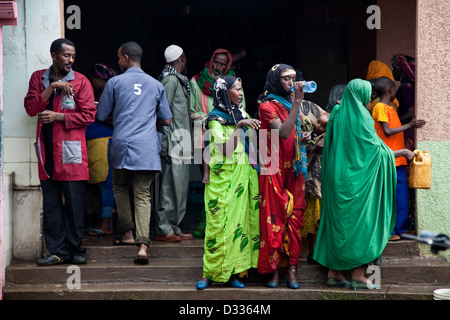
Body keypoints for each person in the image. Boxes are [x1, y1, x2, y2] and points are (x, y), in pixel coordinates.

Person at [312, 79, 415, 290]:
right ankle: (359, 274)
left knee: (338, 225)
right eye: (367, 97)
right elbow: (374, 151)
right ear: (359, 97)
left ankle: (335, 273)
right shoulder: (362, 118)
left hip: (335, 179)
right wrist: (402, 152)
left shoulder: (338, 114)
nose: (369, 101)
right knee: (362, 225)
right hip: (357, 182)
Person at [96, 41, 172, 264]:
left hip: (122, 144)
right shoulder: (156, 84)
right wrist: (147, 119)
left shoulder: (114, 82)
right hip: (147, 147)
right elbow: (167, 119)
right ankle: (142, 247)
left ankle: (128, 234)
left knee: (119, 187)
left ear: (126, 58)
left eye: (119, 58)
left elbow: (101, 115)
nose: (118, 61)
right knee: (143, 195)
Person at [24, 38, 96, 266]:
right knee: (52, 205)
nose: (71, 60)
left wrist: (59, 117)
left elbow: (88, 116)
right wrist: (52, 88)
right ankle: (57, 251)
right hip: (46, 153)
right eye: (66, 56)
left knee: (74, 205)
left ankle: (76, 250)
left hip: (71, 153)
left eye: (73, 56)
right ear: (54, 55)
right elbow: (31, 108)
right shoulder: (39, 78)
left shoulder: (81, 82)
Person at [195, 76, 260, 290]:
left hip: (242, 179)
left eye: (241, 89)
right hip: (221, 180)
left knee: (238, 227)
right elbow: (224, 150)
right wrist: (239, 126)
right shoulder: (215, 119)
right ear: (224, 93)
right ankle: (209, 273)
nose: (241, 93)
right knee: (217, 227)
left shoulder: (243, 114)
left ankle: (234, 273)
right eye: (236, 90)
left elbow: (253, 148)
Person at [257, 64, 311, 289]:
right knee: (274, 217)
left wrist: (303, 138)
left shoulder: (292, 105)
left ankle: (292, 270)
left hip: (295, 167)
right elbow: (283, 132)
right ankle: (274, 272)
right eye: (286, 79)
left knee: (294, 218)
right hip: (274, 167)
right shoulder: (266, 106)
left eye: (293, 78)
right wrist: (298, 102)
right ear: (275, 81)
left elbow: (293, 135)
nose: (291, 82)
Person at [189, 48, 246, 237]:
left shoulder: (234, 83)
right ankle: (207, 223)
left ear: (228, 65)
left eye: (223, 64)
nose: (219, 67)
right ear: (211, 61)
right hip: (201, 138)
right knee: (208, 181)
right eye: (217, 63)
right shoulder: (196, 82)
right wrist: (210, 119)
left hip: (227, 138)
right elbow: (189, 111)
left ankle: (222, 224)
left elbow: (241, 109)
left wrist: (221, 120)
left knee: (226, 184)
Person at [371, 76, 426, 240]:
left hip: (398, 160)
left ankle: (400, 229)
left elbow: (394, 126)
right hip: (389, 159)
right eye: (395, 88)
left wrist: (409, 117)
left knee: (401, 196)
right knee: (391, 197)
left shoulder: (391, 108)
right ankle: (391, 231)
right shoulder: (380, 107)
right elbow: (387, 131)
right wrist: (410, 125)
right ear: (390, 89)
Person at [155, 45, 193, 242]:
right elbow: (161, 112)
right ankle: (163, 228)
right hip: (174, 141)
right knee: (170, 186)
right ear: (181, 59)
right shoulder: (170, 80)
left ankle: (175, 227)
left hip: (182, 140)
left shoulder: (180, 81)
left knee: (180, 187)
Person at [86, 63, 117, 236]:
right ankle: (103, 221)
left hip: (105, 143)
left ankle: (106, 224)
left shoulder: (110, 94)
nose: (91, 82)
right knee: (103, 185)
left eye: (93, 79)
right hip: (98, 144)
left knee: (106, 186)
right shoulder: (103, 93)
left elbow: (111, 119)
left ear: (99, 79)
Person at [301, 112, 329, 264]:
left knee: (319, 222)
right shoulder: (309, 135)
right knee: (312, 222)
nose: (318, 126)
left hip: (322, 186)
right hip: (310, 186)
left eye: (323, 125)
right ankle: (312, 252)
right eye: (318, 122)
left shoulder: (329, 140)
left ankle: (318, 252)